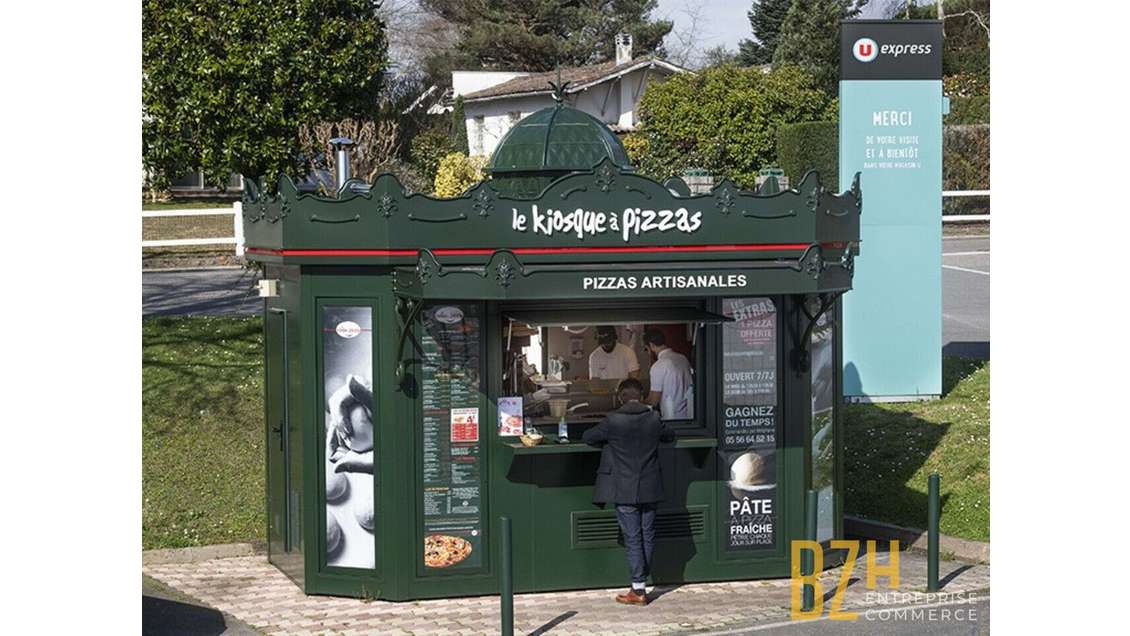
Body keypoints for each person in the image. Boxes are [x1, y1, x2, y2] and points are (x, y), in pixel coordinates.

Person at [582, 378, 676, 606]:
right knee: (648, 534)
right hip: (650, 486)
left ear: (621, 396)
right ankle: (640, 583)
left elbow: (588, 437)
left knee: (633, 538)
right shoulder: (654, 418)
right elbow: (670, 435)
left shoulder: (613, 421)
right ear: (641, 396)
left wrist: (608, 444)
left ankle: (638, 588)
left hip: (624, 488)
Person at [642, 328, 694, 420]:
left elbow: (653, 401)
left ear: (651, 345)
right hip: (690, 416)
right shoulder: (683, 358)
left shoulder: (658, 365)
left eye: (647, 349)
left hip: (672, 419)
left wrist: (635, 404)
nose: (649, 353)